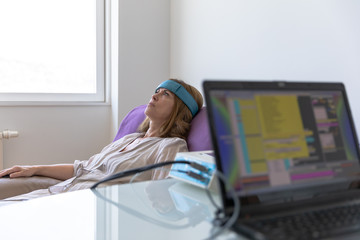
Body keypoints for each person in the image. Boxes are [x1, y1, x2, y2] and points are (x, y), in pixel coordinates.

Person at [0, 79, 203, 201]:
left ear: (180, 110)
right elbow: (84, 168)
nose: (155, 95)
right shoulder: (130, 139)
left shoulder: (171, 146)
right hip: (60, 192)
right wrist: (34, 168)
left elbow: (161, 196)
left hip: (84, 207)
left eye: (165, 93)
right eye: (156, 90)